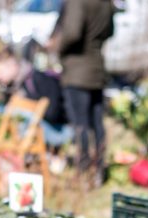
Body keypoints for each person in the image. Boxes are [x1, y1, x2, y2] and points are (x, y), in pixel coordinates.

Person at [53, 0, 115, 184]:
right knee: (97, 123)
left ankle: (84, 169)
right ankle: (99, 168)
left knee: (80, 123)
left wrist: (58, 47)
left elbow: (72, 33)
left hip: (77, 70)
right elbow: (110, 31)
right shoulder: (106, 2)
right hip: (97, 68)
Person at [0, 48, 73, 149]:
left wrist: (27, 109)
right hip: (39, 130)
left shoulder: (39, 79)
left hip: (61, 130)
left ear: (11, 64)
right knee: (1, 109)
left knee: (13, 111)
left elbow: (53, 113)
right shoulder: (14, 86)